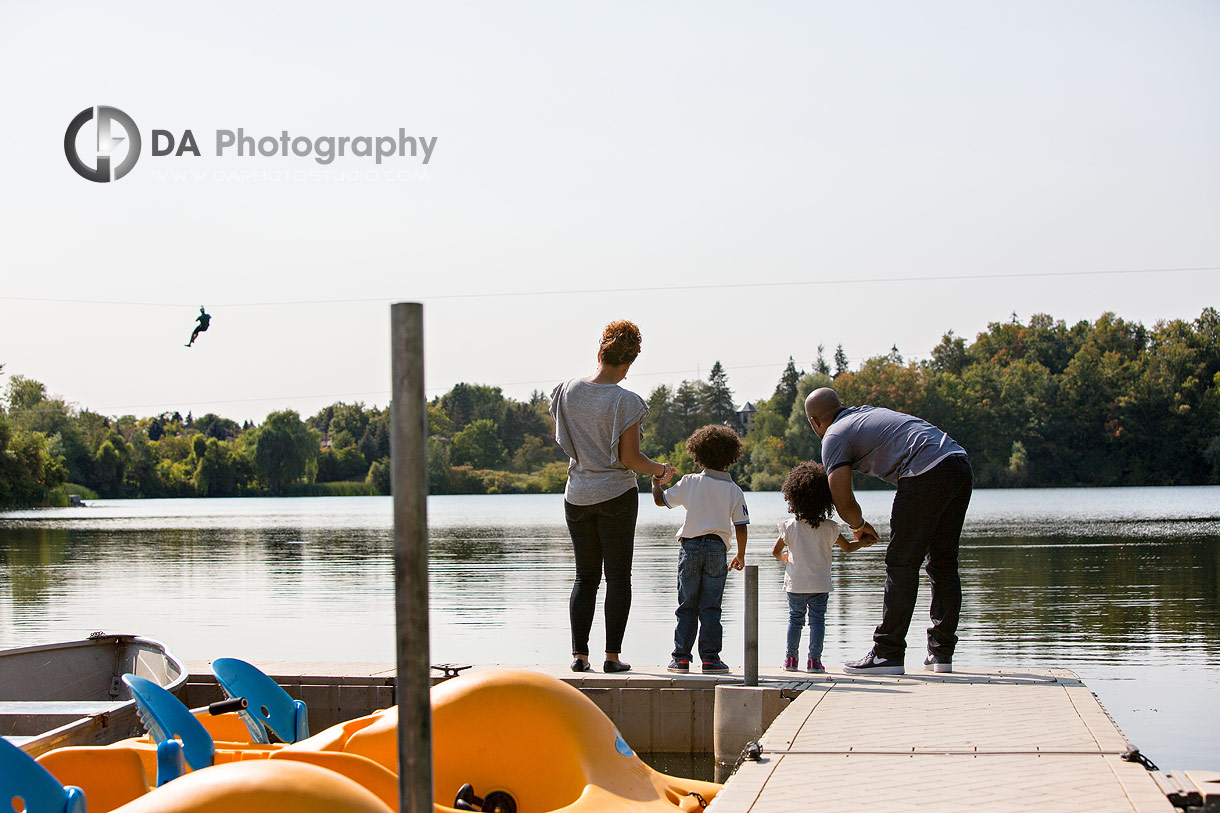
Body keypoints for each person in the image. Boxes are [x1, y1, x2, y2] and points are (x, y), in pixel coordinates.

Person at [804, 387, 972, 675]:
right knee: (943, 562)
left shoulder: (833, 435)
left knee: (902, 564)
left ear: (814, 421)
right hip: (958, 462)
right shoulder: (865, 414)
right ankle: (941, 654)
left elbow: (843, 502)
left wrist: (857, 526)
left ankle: (887, 653)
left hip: (924, 471)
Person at [550, 320, 674, 674]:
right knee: (618, 577)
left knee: (584, 577)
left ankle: (579, 656)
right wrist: (660, 469)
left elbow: (563, 438)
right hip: (616, 495)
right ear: (630, 361)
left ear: (599, 352)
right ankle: (612, 657)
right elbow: (630, 459)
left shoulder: (566, 390)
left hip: (577, 495)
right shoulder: (626, 401)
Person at [652, 424, 749, 674]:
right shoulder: (734, 490)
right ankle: (711, 659)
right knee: (711, 606)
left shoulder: (689, 482)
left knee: (687, 604)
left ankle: (681, 658)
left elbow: (660, 500)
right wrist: (740, 554)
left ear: (698, 454)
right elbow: (741, 526)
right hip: (718, 549)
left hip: (691, 547)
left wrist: (656, 481)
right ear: (730, 456)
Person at [772, 461, 874, 673]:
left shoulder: (789, 527)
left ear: (794, 497)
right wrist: (864, 541)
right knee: (817, 622)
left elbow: (775, 552)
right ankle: (814, 662)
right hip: (819, 585)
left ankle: (791, 660)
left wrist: (787, 560)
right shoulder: (830, 527)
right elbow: (848, 548)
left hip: (796, 585)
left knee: (795, 621)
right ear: (825, 499)